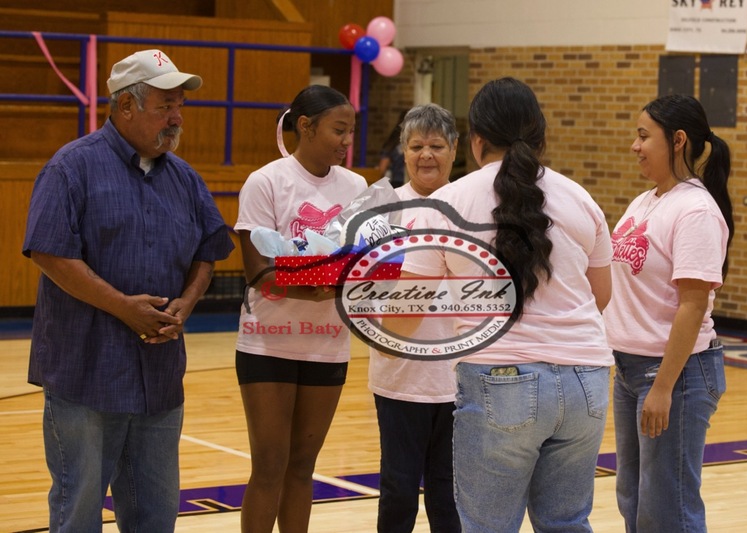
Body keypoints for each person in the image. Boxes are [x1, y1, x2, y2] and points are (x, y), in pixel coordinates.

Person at [22, 49, 234, 532]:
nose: (176, 118)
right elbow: (49, 253)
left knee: (155, 516)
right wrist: (123, 308)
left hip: (159, 376)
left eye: (180, 106)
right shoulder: (71, 168)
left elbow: (209, 251)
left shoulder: (184, 178)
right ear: (125, 106)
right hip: (85, 371)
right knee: (78, 512)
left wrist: (187, 303)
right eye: (165, 106)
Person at [390, 77, 614, 532]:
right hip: (586, 379)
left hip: (501, 378)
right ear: (539, 135)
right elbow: (602, 296)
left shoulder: (447, 202)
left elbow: (404, 316)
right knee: (568, 522)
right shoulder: (581, 197)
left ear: (475, 140)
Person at [234, 85, 368, 532]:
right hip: (267, 342)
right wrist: (316, 286)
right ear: (306, 127)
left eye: (351, 131)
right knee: (269, 464)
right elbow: (258, 271)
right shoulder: (266, 181)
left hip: (327, 343)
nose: (347, 141)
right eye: (338, 130)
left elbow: (362, 263)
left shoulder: (356, 186)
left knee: (302, 466)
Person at [603, 94, 734, 533]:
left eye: (644, 136)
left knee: (667, 510)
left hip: (674, 375)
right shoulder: (645, 201)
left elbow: (693, 305)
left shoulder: (696, 210)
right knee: (635, 500)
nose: (634, 146)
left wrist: (663, 387)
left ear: (677, 140)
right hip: (630, 372)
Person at [368, 103, 461, 533]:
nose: (426, 155)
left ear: (454, 149)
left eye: (436, 146)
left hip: (460, 378)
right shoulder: (380, 208)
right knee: (399, 490)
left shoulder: (470, 204)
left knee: (450, 493)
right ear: (403, 151)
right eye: (417, 145)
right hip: (399, 377)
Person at [378, 109, 409, 187]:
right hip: (404, 181)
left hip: (395, 182)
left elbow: (382, 169)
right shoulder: (413, 142)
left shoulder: (392, 142)